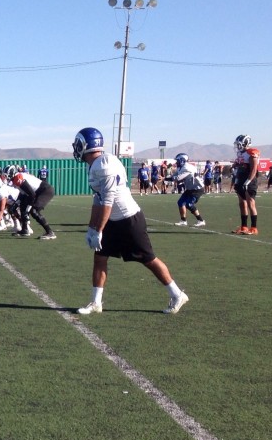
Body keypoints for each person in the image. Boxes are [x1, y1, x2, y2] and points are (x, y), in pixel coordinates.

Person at [71, 127, 189, 315]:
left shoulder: (104, 164)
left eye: (77, 144)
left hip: (128, 219)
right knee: (100, 258)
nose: (75, 148)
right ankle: (96, 302)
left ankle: (177, 294)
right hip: (111, 219)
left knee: (149, 259)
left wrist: (99, 229)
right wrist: (91, 228)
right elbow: (97, 199)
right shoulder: (93, 164)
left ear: (86, 145)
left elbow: (108, 201)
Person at [7, 164, 57, 239]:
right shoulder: (17, 178)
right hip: (37, 191)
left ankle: (50, 232)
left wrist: (29, 207)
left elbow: (32, 194)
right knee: (22, 206)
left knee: (34, 211)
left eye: (8, 175)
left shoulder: (18, 178)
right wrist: (16, 203)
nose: (7, 177)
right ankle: (25, 230)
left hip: (44, 190)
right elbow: (23, 193)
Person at [232, 134, 260, 235]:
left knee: (250, 203)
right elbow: (240, 164)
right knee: (242, 204)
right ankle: (244, 226)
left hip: (249, 181)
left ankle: (253, 228)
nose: (238, 146)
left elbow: (253, 169)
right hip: (240, 179)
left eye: (239, 144)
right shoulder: (240, 153)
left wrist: (248, 181)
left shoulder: (252, 153)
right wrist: (235, 165)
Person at [171, 153, 206, 227]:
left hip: (197, 189)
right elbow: (174, 175)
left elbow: (178, 178)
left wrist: (167, 178)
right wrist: (165, 178)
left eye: (177, 160)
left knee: (189, 204)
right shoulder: (181, 167)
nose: (176, 162)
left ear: (182, 160)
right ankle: (183, 221)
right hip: (190, 188)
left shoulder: (187, 168)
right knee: (181, 202)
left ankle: (201, 220)